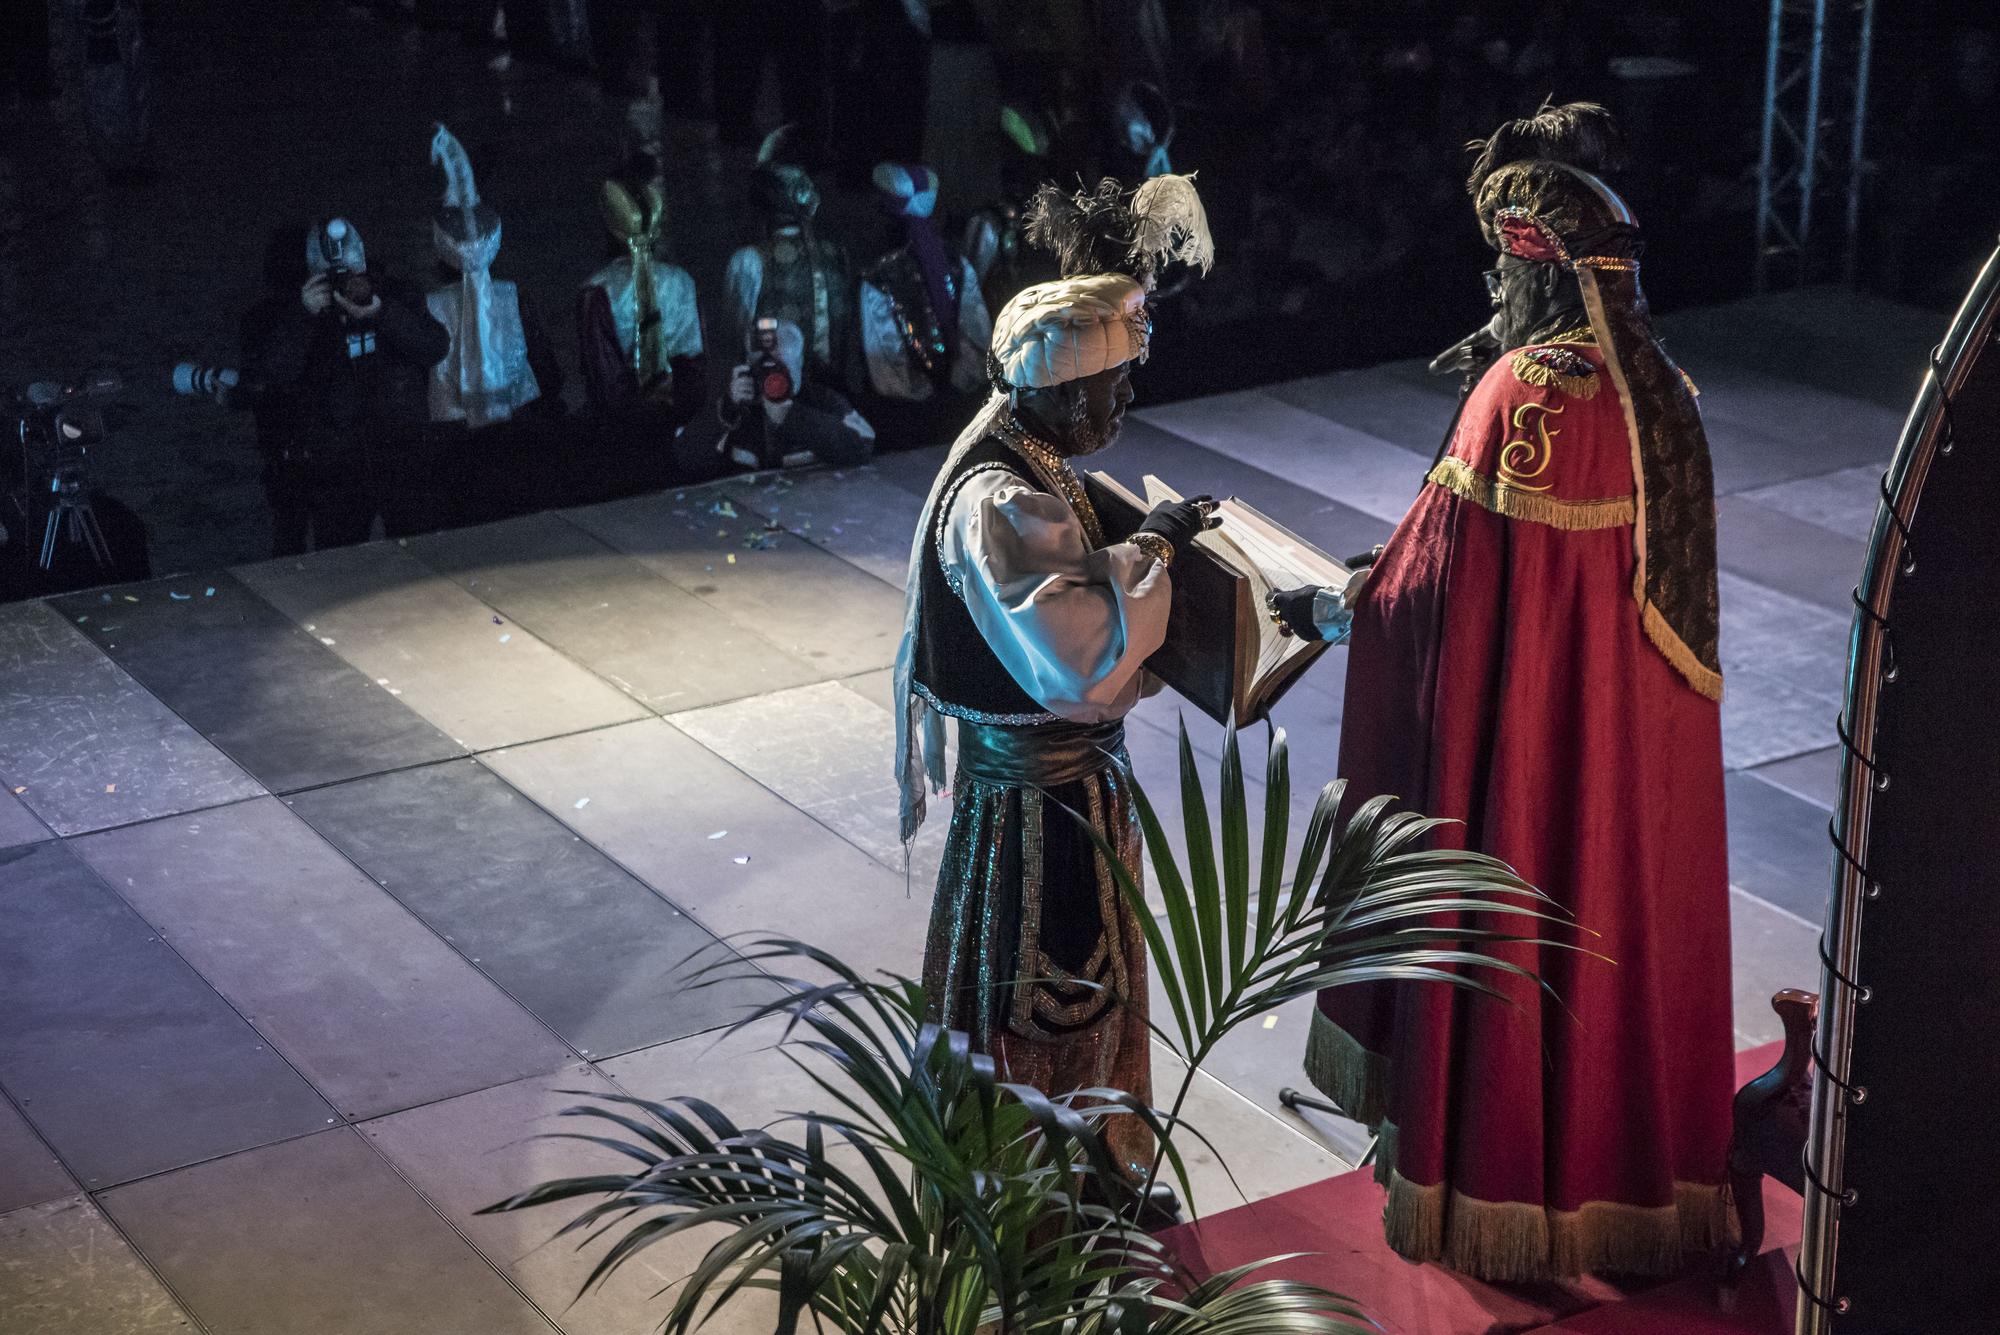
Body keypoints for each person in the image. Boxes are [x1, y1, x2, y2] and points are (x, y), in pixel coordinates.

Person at [1268, 103, 1732, 1282]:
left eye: (1498, 268)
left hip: (1520, 744)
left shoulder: (1527, 393)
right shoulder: (1657, 389)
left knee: (1510, 911)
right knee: (1612, 928)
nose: (1490, 292)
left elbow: (1437, 594)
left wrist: (1337, 610)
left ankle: (1489, 1171)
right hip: (1621, 761)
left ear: (1531, 268)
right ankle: (1623, 1173)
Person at [893, 174, 1213, 1219]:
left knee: (1097, 991)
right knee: (1043, 997)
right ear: (1060, 390)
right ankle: (1023, 1203)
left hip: (1070, 791)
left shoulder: (1031, 453)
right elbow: (1073, 652)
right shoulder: (1002, 494)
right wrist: (1155, 551)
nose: (1123, 406)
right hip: (1034, 807)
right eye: (1112, 388)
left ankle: (1099, 1170)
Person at [239, 218, 450, 552]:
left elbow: (435, 346)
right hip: (337, 462)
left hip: (400, 449)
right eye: (331, 276)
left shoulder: (393, 294)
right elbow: (275, 373)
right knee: (342, 557)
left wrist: (381, 313)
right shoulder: (295, 311)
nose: (343, 284)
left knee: (421, 549)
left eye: (349, 274)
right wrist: (303, 314)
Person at [424, 125, 563, 527]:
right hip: (516, 434)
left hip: (457, 444)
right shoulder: (513, 297)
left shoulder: (432, 304)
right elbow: (545, 368)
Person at [576, 170, 706, 493]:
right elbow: (695, 366)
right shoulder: (682, 281)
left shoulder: (597, 291)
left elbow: (605, 381)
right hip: (675, 412)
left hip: (624, 430)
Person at [723, 129, 864, 401]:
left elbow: (735, 338)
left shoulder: (748, 261)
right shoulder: (838, 254)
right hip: (834, 395)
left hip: (775, 401)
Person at [858, 162, 993, 443]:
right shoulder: (957, 263)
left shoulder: (877, 276)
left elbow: (883, 356)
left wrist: (924, 395)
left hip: (904, 416)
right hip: (956, 408)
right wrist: (958, 386)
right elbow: (977, 335)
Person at [675, 316, 877, 478]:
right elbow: (687, 461)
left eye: (781, 366)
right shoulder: (737, 409)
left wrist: (791, 416)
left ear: (799, 364)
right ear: (749, 366)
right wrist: (726, 412)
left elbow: (864, 445)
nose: (772, 376)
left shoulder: (821, 400)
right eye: (763, 366)